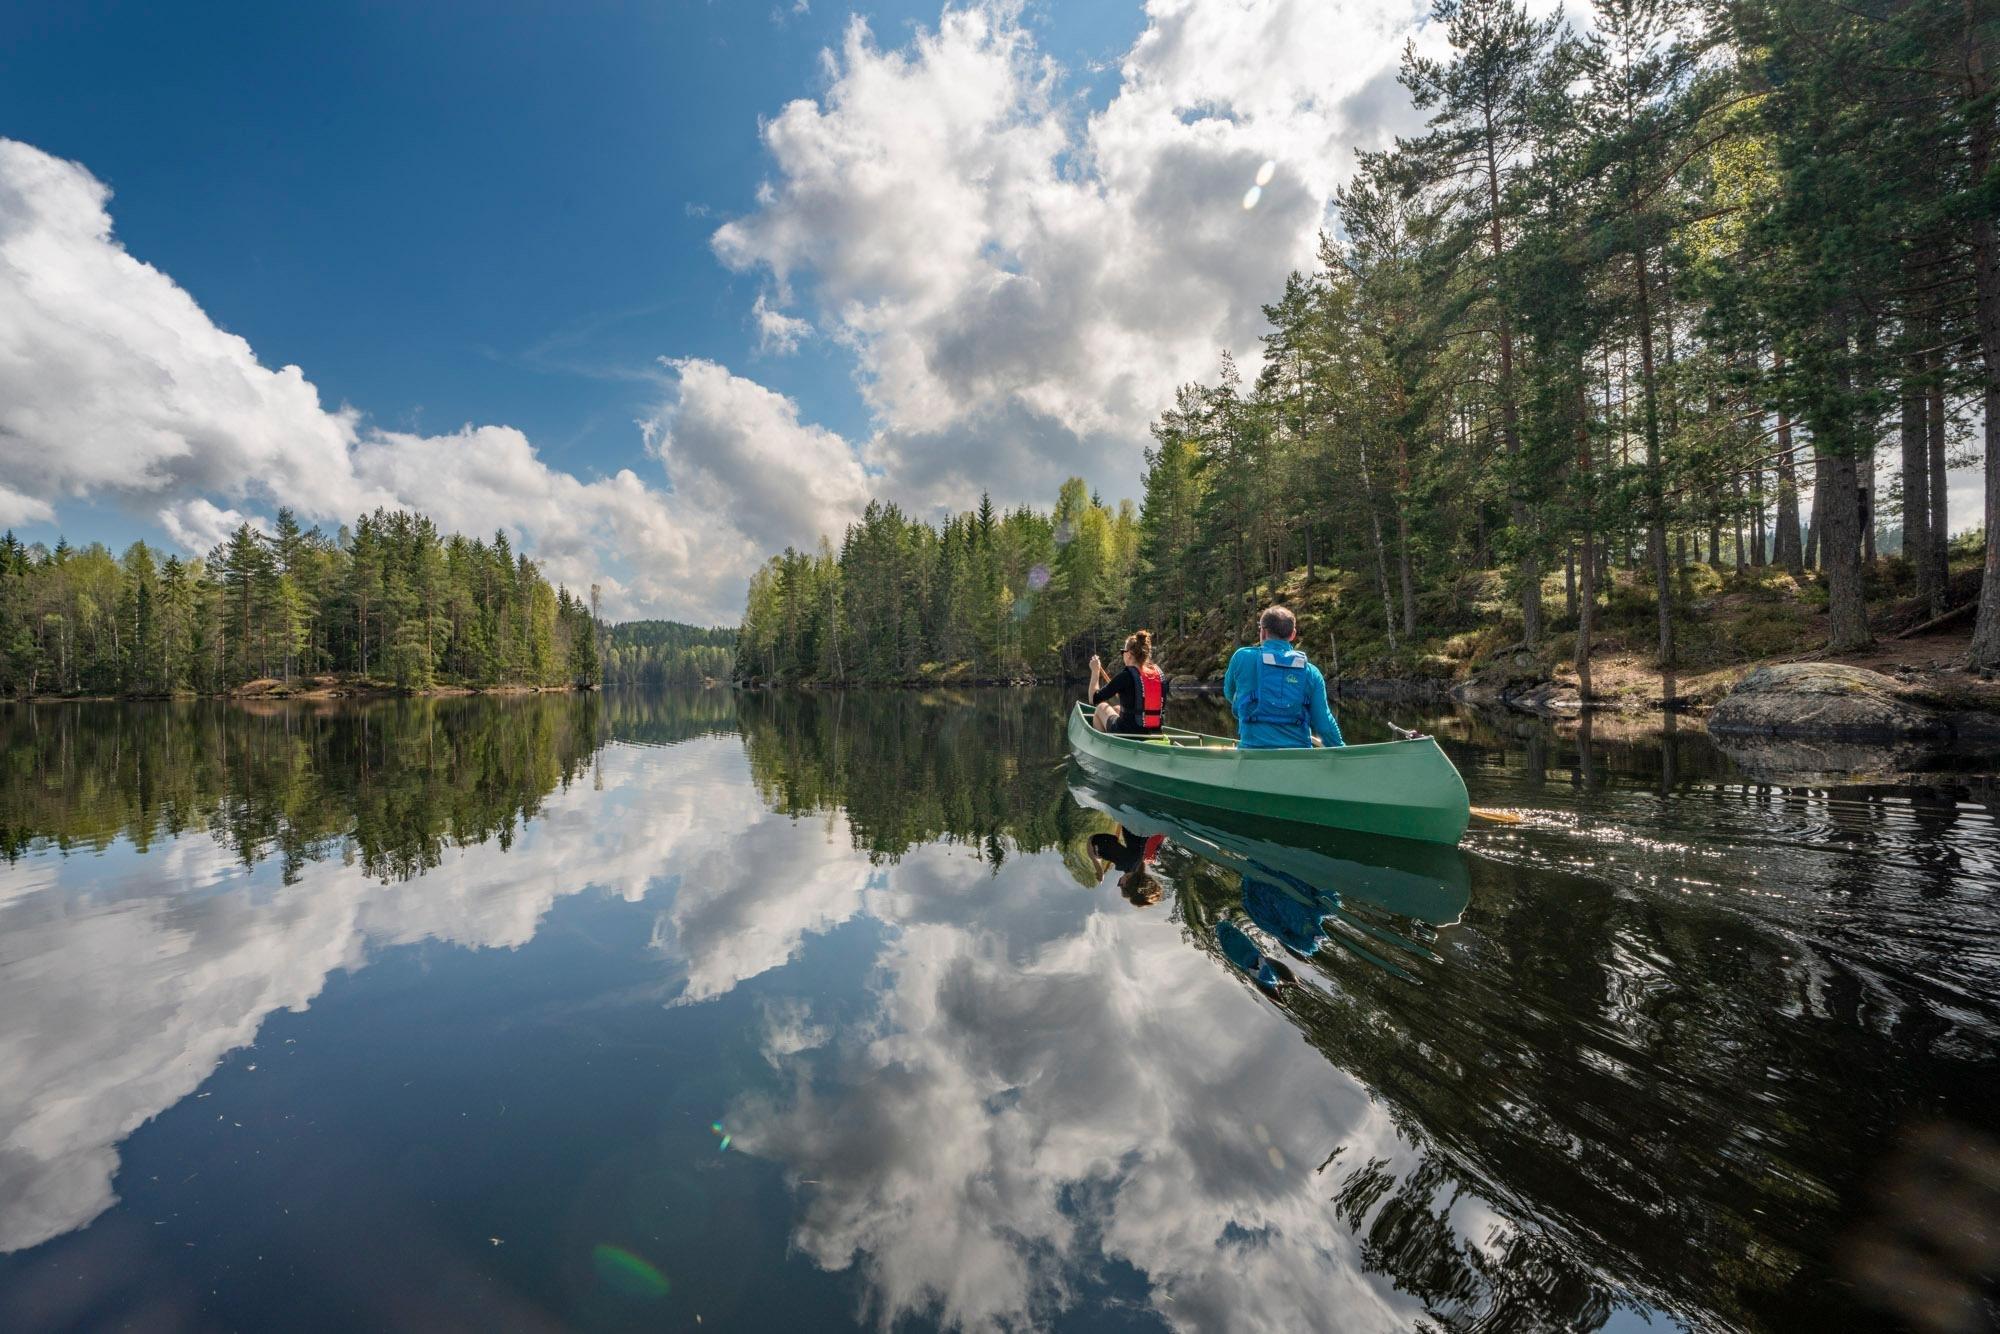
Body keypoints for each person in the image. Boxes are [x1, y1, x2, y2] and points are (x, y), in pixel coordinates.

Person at [1223, 605, 1344, 749]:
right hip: (1299, 758)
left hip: (1252, 755)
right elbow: (1325, 726)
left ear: (1263, 632)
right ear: (1293, 635)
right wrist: (1343, 752)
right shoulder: (1312, 673)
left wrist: (1247, 707)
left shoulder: (1242, 657)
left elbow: (1229, 693)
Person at [1087, 630, 1165, 735]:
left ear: (1129, 654)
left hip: (1129, 733)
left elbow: (1093, 699)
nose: (1122, 654)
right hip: (1154, 732)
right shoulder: (1159, 676)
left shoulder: (1125, 676)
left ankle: (1104, 747)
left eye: (1122, 651)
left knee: (1101, 708)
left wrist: (1095, 671)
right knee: (1117, 708)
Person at [1086, 826, 1166, 906]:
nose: (1119, 881)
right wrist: (1098, 868)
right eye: (1120, 885)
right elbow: (1094, 841)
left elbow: (1161, 833)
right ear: (1127, 881)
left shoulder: (1151, 858)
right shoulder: (1126, 863)